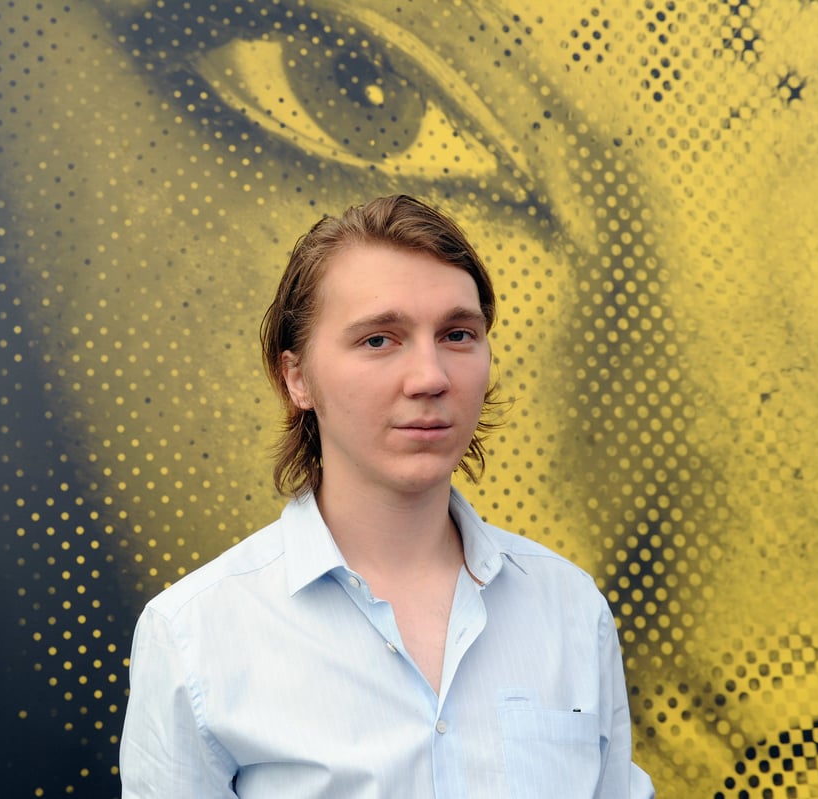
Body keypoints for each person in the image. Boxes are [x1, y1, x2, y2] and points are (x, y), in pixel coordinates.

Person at [119, 194, 655, 797]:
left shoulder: (571, 609)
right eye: (379, 339)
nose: (430, 377)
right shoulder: (197, 632)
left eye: (457, 334)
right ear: (296, 378)